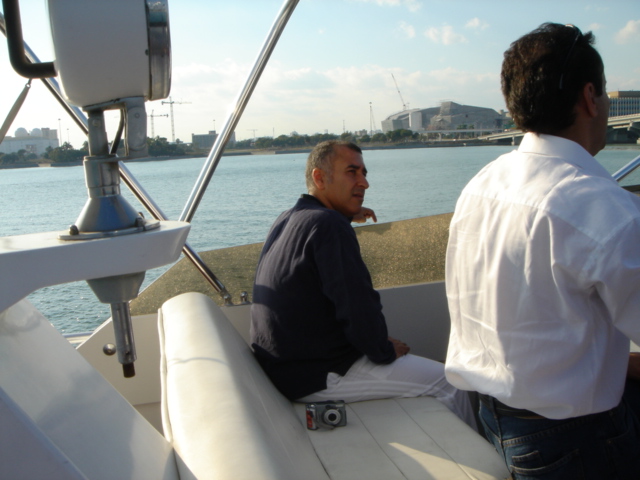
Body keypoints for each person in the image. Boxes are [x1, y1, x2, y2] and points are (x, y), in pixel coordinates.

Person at [445, 22, 640, 478]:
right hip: (575, 439)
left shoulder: (483, 184)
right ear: (590, 97)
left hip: (495, 417)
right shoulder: (602, 205)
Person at [251, 140, 476, 429]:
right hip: (318, 374)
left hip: (286, 367)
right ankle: (483, 458)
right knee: (451, 382)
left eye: (364, 173)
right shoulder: (330, 226)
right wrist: (382, 350)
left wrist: (346, 214)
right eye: (352, 172)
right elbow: (356, 305)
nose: (364, 182)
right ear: (320, 178)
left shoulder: (289, 218)